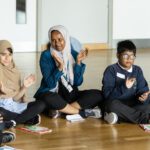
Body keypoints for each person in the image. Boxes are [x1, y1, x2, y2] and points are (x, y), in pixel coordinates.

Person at [34, 25, 103, 120]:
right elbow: (50, 83)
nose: (57, 43)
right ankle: (80, 113)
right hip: (53, 93)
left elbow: (78, 82)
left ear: (66, 38)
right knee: (47, 98)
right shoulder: (46, 55)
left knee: (98, 94)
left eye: (60, 39)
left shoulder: (73, 54)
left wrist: (78, 63)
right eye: (53, 40)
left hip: (70, 93)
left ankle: (62, 110)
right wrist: (59, 68)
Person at [0, 40, 46, 129]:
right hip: (1, 107)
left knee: (41, 104)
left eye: (10, 54)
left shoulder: (15, 70)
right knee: (1, 112)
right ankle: (27, 118)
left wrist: (24, 87)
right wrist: (3, 91)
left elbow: (15, 98)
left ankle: (14, 122)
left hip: (13, 105)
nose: (7, 58)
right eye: (3, 54)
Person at [102, 40, 150, 124]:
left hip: (133, 105)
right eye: (125, 56)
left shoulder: (137, 70)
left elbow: (143, 90)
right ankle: (143, 119)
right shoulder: (111, 70)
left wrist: (144, 97)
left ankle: (117, 117)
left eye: (132, 56)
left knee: (147, 102)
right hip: (118, 104)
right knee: (111, 105)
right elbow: (107, 95)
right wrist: (124, 87)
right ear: (118, 55)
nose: (129, 59)